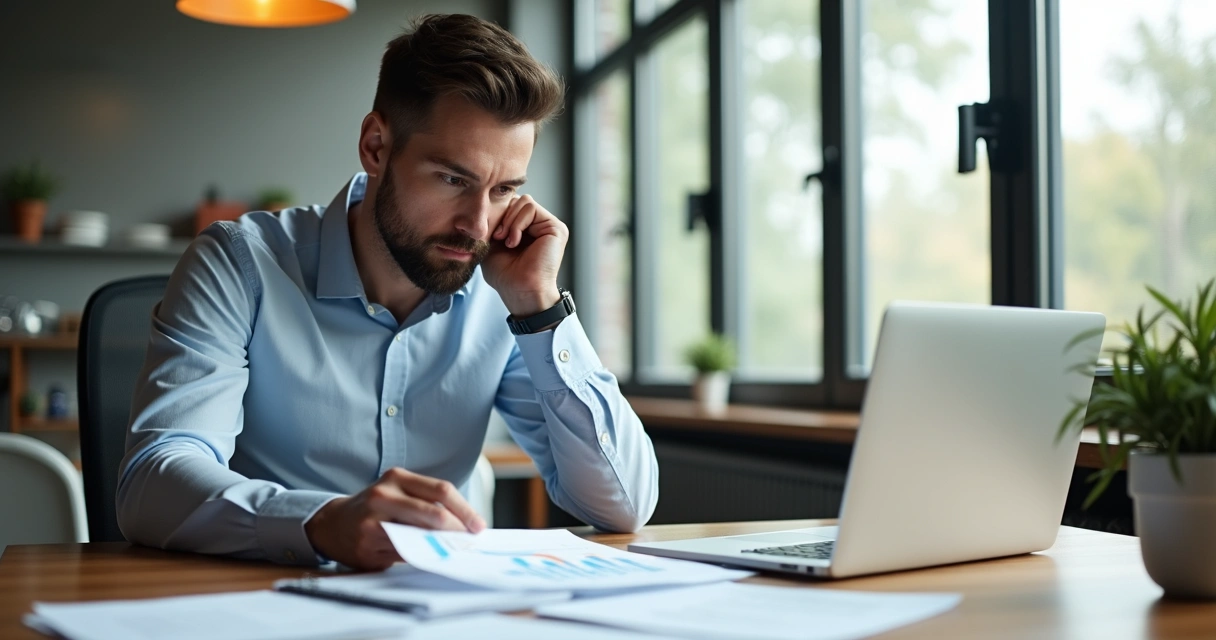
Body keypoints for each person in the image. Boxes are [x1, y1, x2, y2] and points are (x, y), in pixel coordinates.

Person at [116, 13, 659, 571]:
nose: (477, 225)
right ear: (376, 146)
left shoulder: (503, 292)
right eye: (453, 179)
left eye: (503, 190)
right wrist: (320, 523)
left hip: (451, 602)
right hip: (268, 593)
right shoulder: (240, 263)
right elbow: (151, 483)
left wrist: (540, 308)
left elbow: (622, 506)